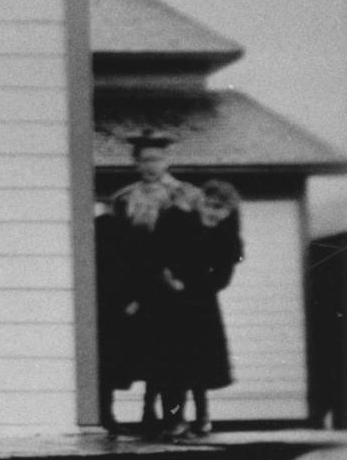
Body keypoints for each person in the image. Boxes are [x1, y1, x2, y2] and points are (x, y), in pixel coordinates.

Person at [108, 132, 201, 435]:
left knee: (176, 357)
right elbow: (119, 249)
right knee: (146, 354)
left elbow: (197, 244)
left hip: (174, 288)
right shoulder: (125, 199)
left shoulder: (186, 195)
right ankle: (149, 414)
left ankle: (176, 416)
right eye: (145, 159)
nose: (151, 165)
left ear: (167, 160)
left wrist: (185, 281)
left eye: (157, 159)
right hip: (140, 288)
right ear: (135, 162)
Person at [151, 179, 244, 438]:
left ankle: (202, 416)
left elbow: (223, 278)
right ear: (199, 202)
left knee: (200, 365)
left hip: (202, 306)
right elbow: (159, 252)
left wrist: (194, 286)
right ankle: (174, 419)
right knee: (172, 364)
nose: (212, 211)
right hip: (171, 304)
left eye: (220, 208)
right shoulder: (180, 222)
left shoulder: (228, 237)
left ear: (228, 211)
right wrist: (169, 280)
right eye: (208, 204)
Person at [93, 200, 137, 435]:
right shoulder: (122, 234)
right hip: (115, 309)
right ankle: (107, 415)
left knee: (106, 367)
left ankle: (106, 415)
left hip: (107, 308)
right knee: (109, 367)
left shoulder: (100, 231)